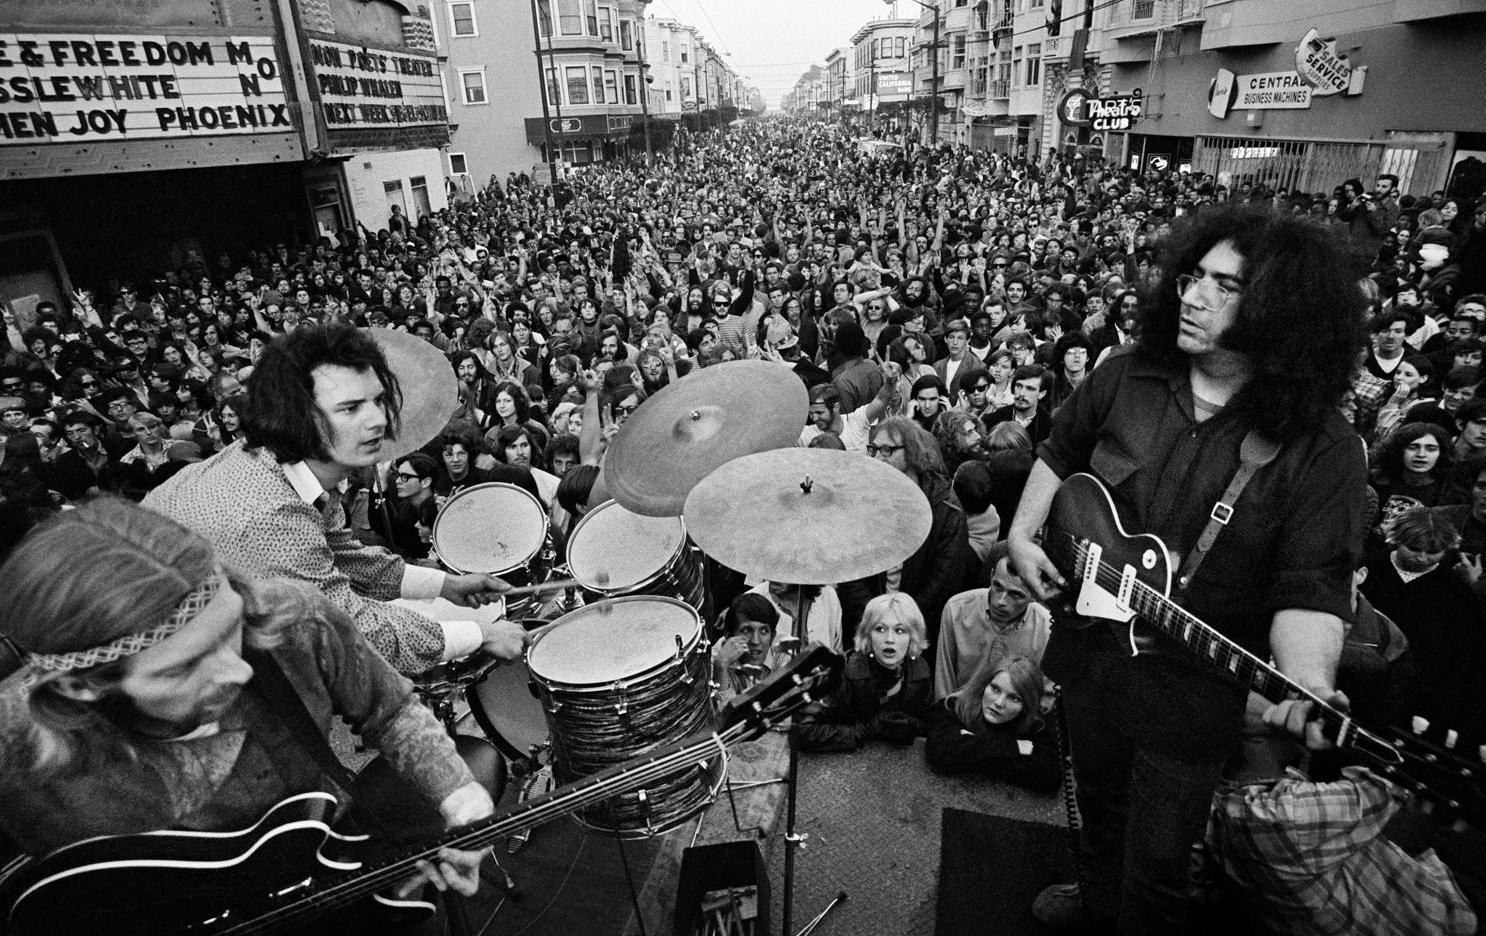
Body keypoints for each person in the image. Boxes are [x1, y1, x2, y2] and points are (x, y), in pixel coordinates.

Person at [1008, 206, 1368, 932]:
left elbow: (1312, 585)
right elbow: (1060, 448)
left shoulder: (1320, 447)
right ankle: (1098, 895)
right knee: (1098, 813)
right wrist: (1021, 534)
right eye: (1193, 276)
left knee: (1161, 861)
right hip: (1091, 656)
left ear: (1281, 313)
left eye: (1225, 287)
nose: (1193, 296)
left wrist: (1310, 684)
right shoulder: (1125, 376)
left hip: (1190, 696)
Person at [0, 500, 493, 905]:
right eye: (184, 666)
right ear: (76, 687)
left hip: (322, 871)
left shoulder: (296, 619)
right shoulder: (11, 748)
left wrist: (461, 797)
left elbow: (389, 711)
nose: (238, 671)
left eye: (231, 628)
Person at [145, 323, 527, 677]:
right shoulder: (268, 516)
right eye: (349, 408)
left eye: (378, 401)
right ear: (295, 415)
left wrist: (444, 585)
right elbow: (352, 632)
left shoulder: (285, 466)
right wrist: (480, 634)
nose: (378, 420)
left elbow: (343, 556)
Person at [797, 593, 933, 752]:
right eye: (880, 629)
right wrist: (864, 730)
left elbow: (932, 725)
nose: (890, 639)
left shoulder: (919, 672)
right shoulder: (841, 673)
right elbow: (803, 731)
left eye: (900, 630)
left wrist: (913, 725)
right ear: (867, 634)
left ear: (913, 636)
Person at [924, 654, 1059, 793]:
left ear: (1027, 706)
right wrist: (1014, 746)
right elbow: (941, 754)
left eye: (1013, 698)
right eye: (995, 689)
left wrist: (970, 744)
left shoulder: (1039, 725)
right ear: (984, 685)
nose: (999, 703)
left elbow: (1049, 777)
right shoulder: (954, 707)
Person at [935, 554, 1051, 698]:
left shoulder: (1046, 629)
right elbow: (943, 680)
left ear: (1036, 595)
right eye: (997, 586)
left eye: (1015, 595)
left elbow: (1044, 696)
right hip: (958, 711)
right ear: (991, 575)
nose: (1000, 601)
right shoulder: (957, 609)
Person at [710, 593, 782, 706]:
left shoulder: (782, 651)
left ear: (772, 636)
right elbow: (725, 718)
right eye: (746, 630)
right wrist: (721, 666)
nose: (755, 641)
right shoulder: (713, 663)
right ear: (729, 635)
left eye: (764, 631)